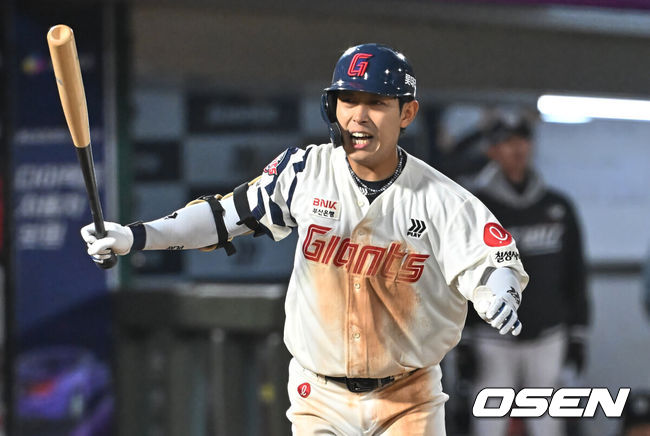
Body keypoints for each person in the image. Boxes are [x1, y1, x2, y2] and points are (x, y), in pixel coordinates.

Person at [82, 43, 529, 435]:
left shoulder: (442, 198)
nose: (358, 115)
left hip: (408, 397)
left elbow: (492, 262)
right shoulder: (304, 171)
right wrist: (135, 236)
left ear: (407, 113)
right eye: (347, 100)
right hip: (320, 395)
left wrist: (499, 291)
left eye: (376, 102)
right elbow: (222, 218)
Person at [460, 116, 589, 436]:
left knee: (547, 423)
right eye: (507, 142)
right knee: (488, 422)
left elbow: (575, 273)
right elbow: (458, 276)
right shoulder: (474, 208)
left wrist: (578, 334)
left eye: (522, 140)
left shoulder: (558, 207)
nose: (517, 148)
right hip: (491, 337)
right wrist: (462, 340)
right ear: (492, 150)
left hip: (549, 334)